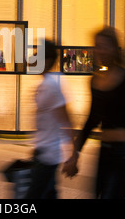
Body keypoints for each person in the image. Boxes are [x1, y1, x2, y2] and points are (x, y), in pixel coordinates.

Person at [62, 26, 125, 199]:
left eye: (105, 46)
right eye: (97, 45)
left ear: (115, 49)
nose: (100, 50)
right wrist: (75, 155)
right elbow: (92, 120)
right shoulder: (94, 80)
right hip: (104, 152)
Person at [25, 39, 75, 199]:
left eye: (37, 56)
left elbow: (66, 120)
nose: (33, 59)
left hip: (49, 155)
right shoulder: (48, 82)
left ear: (46, 61)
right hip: (43, 151)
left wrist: (72, 156)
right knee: (49, 195)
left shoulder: (52, 84)